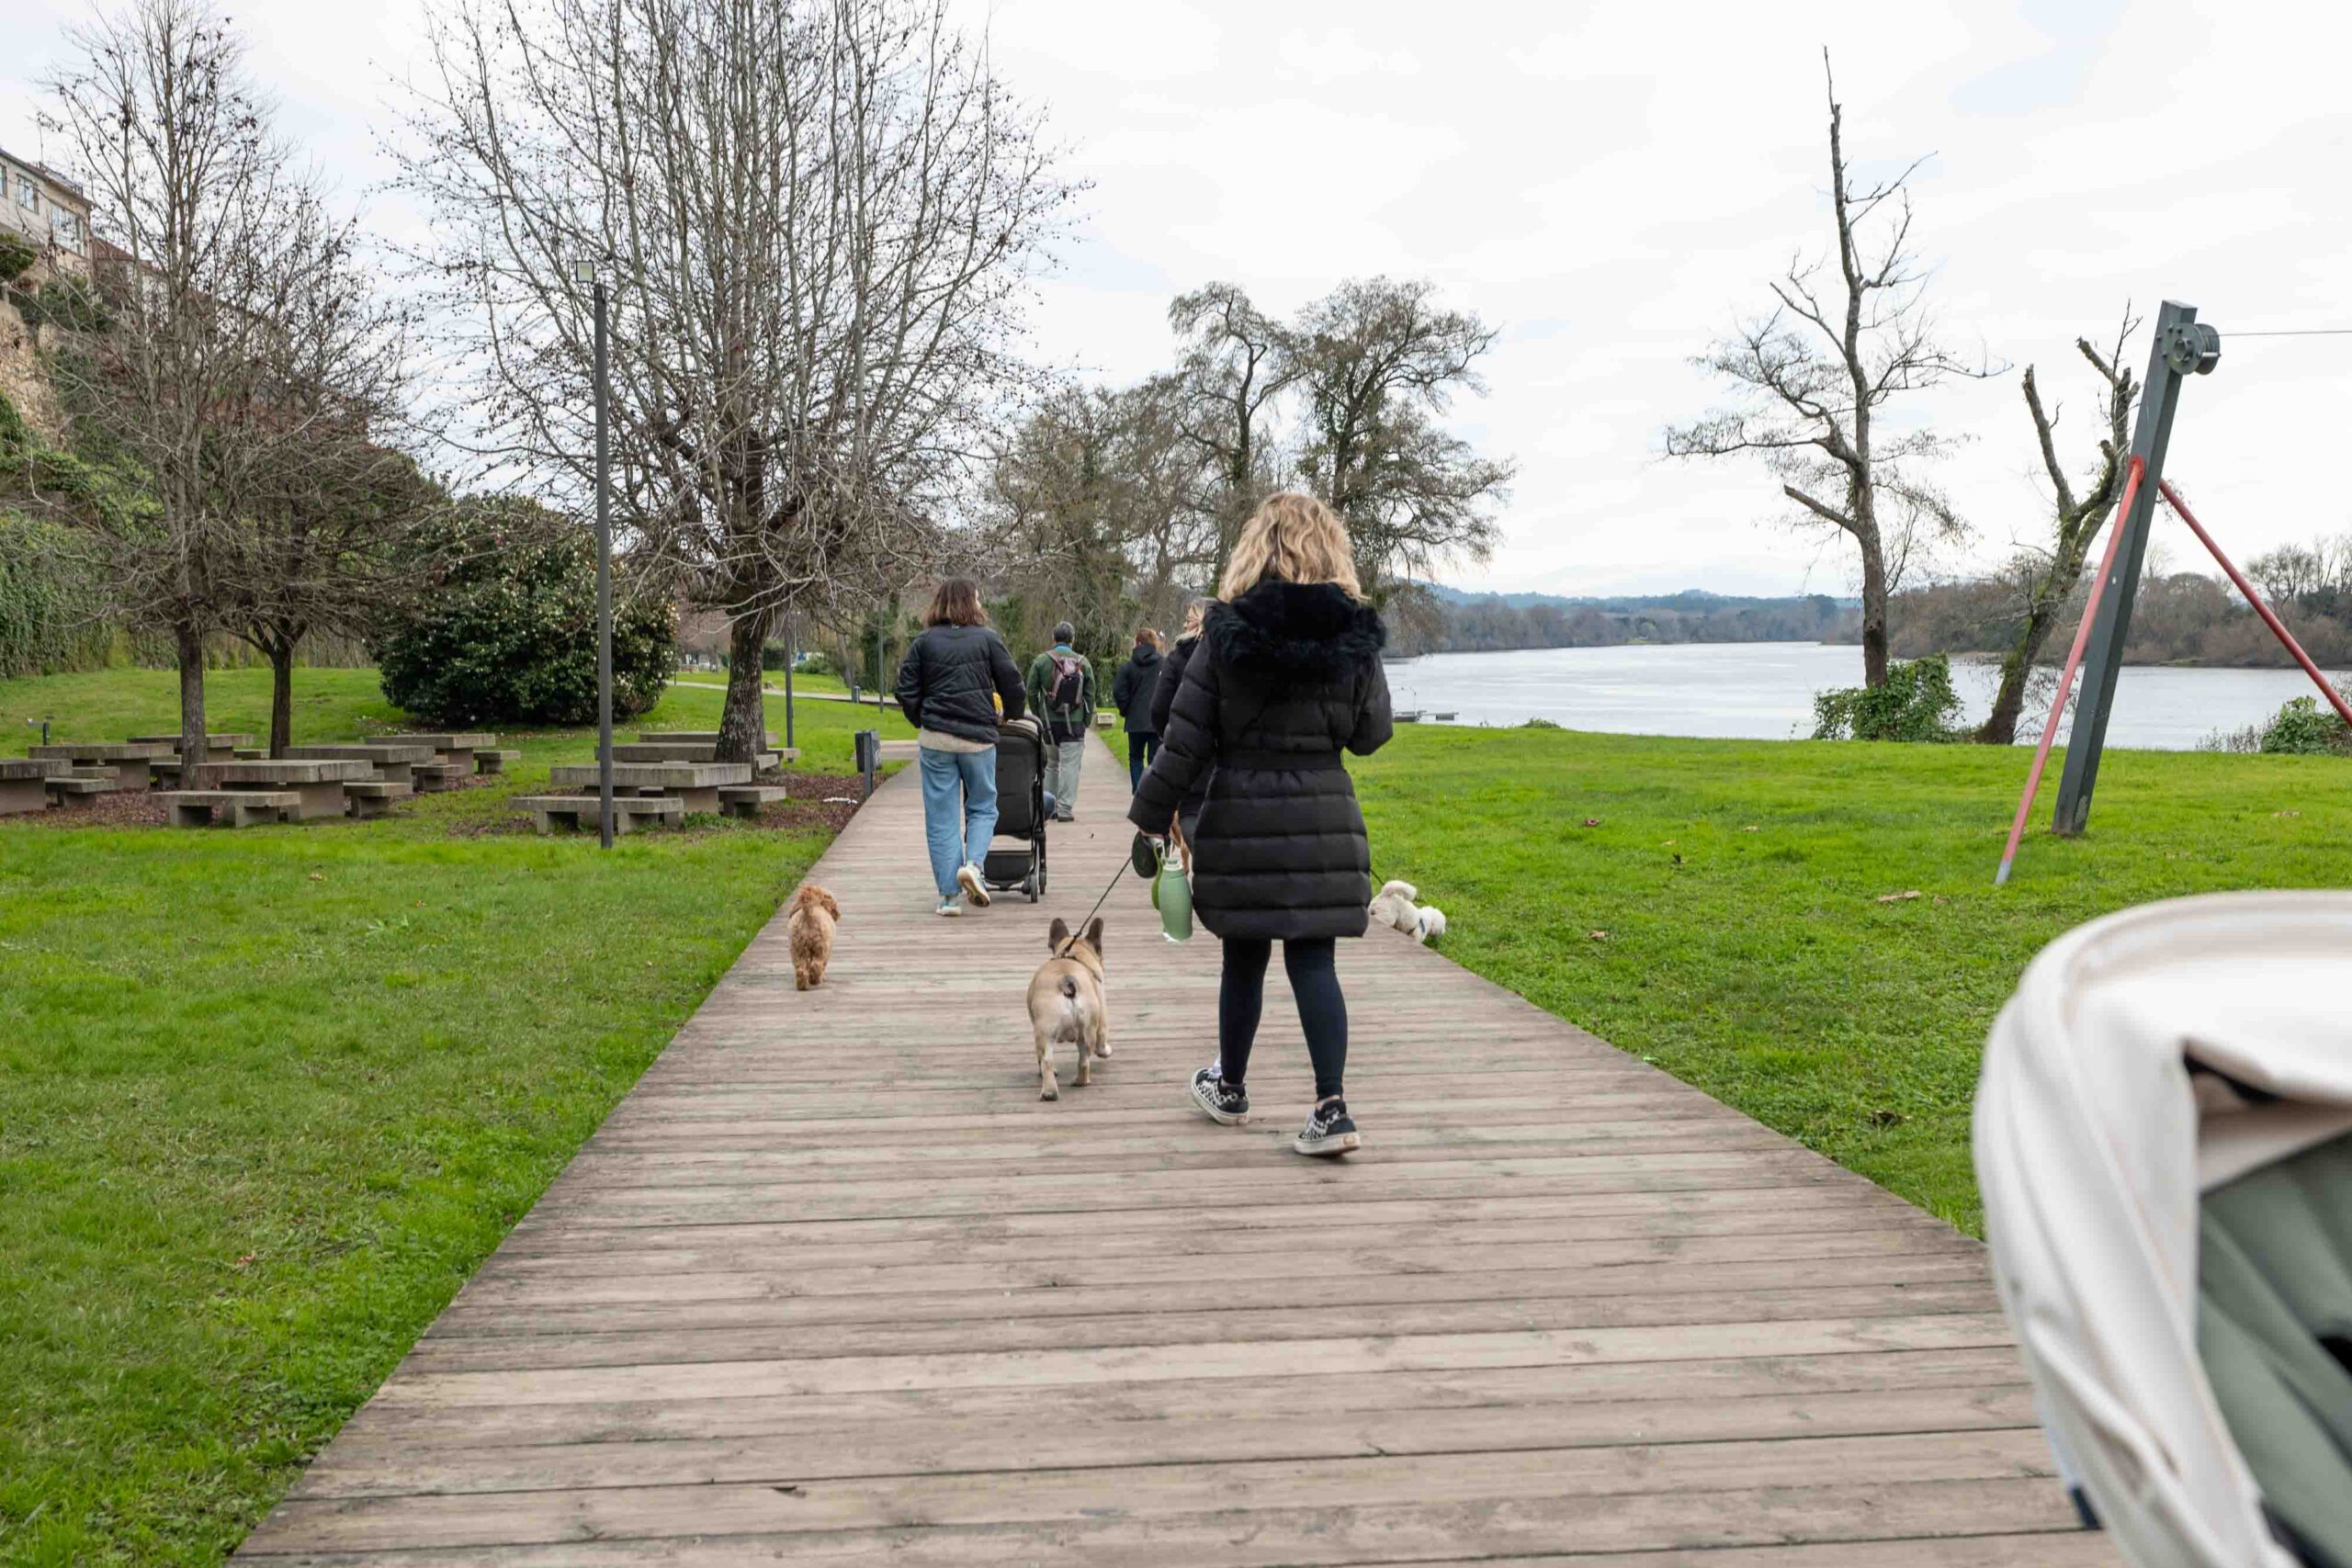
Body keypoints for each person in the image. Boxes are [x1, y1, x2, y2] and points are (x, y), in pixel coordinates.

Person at [1129, 494, 1394, 1157]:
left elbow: (1185, 742)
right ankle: (1332, 1107)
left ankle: (1232, 1086)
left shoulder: (1223, 635)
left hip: (1241, 810)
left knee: (1243, 954)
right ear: (1331, 549)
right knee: (1314, 958)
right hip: (1324, 814)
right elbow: (1371, 733)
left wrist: (1150, 818)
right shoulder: (1354, 636)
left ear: (1256, 548)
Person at [894, 579, 1026, 918]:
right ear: (972, 603)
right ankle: (974, 867)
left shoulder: (923, 642)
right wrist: (1008, 715)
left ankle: (949, 897)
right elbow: (1013, 682)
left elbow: (905, 689)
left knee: (941, 818)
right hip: (978, 739)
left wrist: (922, 719)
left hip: (936, 740)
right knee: (983, 806)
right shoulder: (988, 639)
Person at [1149, 599, 1213, 841]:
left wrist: (1168, 734)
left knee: (1190, 811)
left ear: (1199, 621)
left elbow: (1158, 708)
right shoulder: (1232, 654)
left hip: (1187, 749)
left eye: (1188, 618)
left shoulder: (1178, 657)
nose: (1184, 623)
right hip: (1224, 759)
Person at [1024, 621, 1096, 822]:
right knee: (1070, 766)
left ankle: (1050, 806)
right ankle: (1065, 808)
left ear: (1053, 639)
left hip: (1048, 723)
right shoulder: (1083, 662)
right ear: (1072, 640)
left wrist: (1039, 714)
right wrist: (1085, 720)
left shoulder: (1041, 661)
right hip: (1074, 723)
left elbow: (1031, 690)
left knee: (1051, 765)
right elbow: (1090, 695)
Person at [1109, 627, 1165, 790]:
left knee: (1135, 757)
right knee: (1155, 759)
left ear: (1138, 643)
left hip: (1135, 721)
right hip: (1157, 719)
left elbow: (1119, 691)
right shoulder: (1163, 664)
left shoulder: (1128, 667)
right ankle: (1152, 793)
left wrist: (1125, 709)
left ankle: (1138, 792)